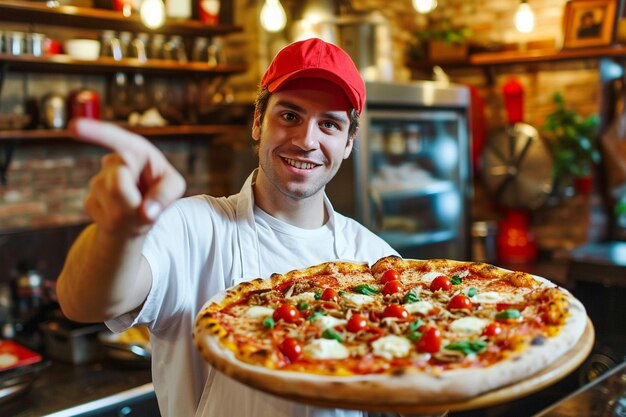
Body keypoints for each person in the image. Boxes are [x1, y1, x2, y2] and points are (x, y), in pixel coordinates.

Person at [56, 37, 399, 417]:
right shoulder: (193, 227)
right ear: (257, 122)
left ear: (349, 142)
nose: (306, 141)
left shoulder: (377, 262)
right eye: (289, 116)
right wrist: (119, 232)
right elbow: (82, 303)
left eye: (329, 124)